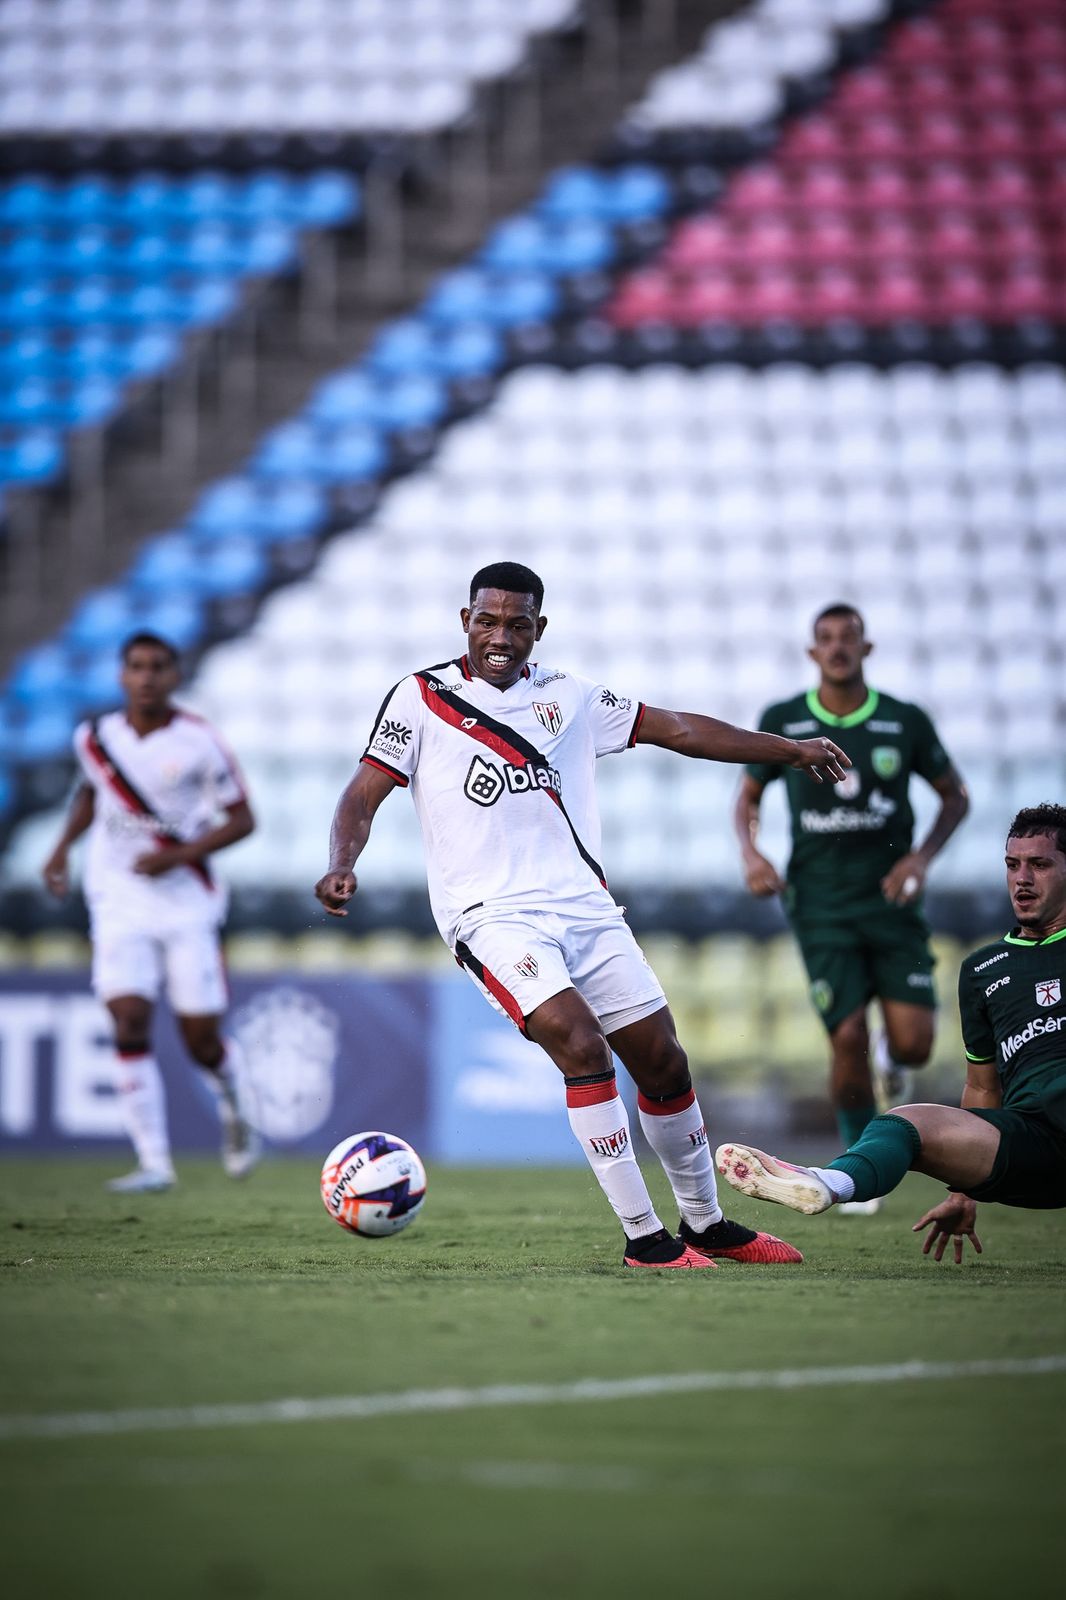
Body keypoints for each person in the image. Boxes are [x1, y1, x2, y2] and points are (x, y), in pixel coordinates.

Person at [315, 561, 851, 1270]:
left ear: (539, 627)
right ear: (465, 620)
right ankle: (645, 1239)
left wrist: (789, 749)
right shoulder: (420, 699)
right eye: (487, 620)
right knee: (579, 1042)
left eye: (517, 623)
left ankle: (707, 1224)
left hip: (585, 908)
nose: (500, 636)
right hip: (492, 917)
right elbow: (362, 795)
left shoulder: (571, 698)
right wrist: (342, 861)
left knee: (662, 1060)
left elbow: (680, 730)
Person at [717, 804, 1066, 1260]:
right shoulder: (984, 969)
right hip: (1036, 1148)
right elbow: (983, 1086)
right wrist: (963, 1194)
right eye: (1012, 864)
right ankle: (827, 1183)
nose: (1022, 878)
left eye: (1039, 865)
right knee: (902, 1122)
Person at [734, 602, 969, 1213]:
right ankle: (856, 1163)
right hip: (820, 905)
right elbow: (748, 795)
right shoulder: (784, 719)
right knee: (843, 1037)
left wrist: (918, 859)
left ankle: (895, 1057)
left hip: (891, 903)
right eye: (826, 639)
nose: (837, 648)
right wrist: (752, 852)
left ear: (867, 649)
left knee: (914, 1044)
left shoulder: (903, 720)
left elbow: (955, 797)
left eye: (849, 638)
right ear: (813, 652)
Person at [42, 631, 259, 1193]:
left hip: (186, 902)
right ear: (121, 675)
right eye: (136, 667)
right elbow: (94, 791)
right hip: (118, 899)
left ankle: (237, 1107)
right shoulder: (94, 737)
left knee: (200, 1041)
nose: (146, 677)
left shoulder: (199, 742)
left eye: (157, 667)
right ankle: (154, 1162)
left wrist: (180, 855)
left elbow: (242, 819)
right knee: (129, 1018)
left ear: (174, 675)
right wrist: (63, 845)